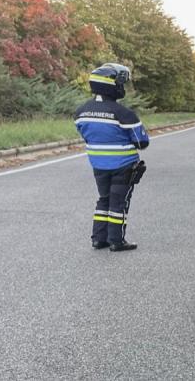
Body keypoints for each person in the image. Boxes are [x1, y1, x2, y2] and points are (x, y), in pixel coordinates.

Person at [74, 63, 149, 252]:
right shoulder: (124, 114)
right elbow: (142, 142)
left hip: (98, 164)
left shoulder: (80, 112)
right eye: (120, 82)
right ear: (112, 85)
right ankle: (116, 241)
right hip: (123, 165)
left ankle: (99, 239)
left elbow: (87, 135)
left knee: (104, 199)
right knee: (119, 202)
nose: (122, 86)